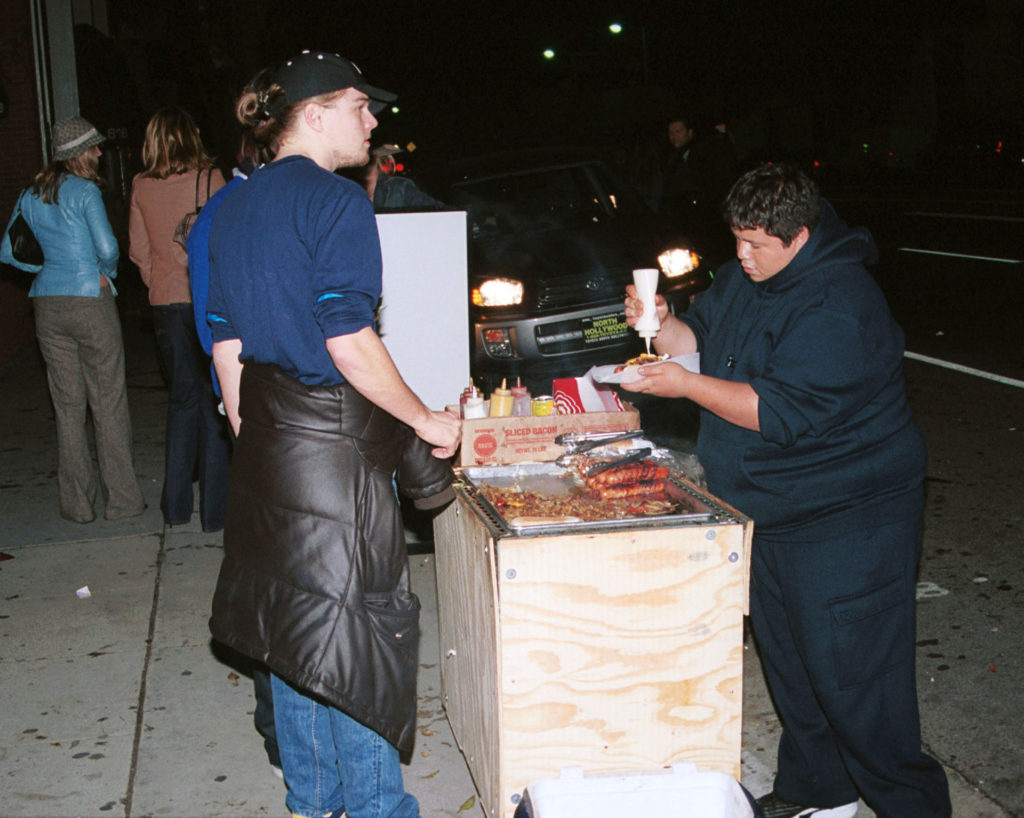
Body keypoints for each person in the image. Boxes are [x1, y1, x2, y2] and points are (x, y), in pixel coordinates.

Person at [621, 163, 951, 818]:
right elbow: (701, 340)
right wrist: (661, 328)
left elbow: (775, 411)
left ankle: (913, 804)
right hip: (771, 508)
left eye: (755, 245)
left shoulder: (840, 305)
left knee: (858, 681)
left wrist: (681, 386)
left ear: (798, 237)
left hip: (849, 517)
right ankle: (819, 795)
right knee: (795, 669)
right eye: (736, 240)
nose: (740, 256)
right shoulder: (750, 276)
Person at [205, 50, 461, 818]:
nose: (374, 120)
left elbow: (224, 341)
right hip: (332, 448)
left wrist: (255, 440)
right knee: (357, 638)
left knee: (293, 632)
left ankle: (314, 804)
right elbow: (348, 338)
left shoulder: (232, 205)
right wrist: (424, 418)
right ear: (313, 112)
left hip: (268, 443)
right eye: (359, 105)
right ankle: (380, 810)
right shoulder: (338, 201)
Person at [184, 69, 283, 779]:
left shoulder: (247, 207)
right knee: (280, 586)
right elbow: (217, 332)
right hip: (268, 417)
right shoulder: (235, 215)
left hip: (280, 417)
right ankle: (282, 733)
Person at [1, 116, 146, 523]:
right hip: (90, 301)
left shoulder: (31, 192)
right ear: (80, 153)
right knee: (109, 403)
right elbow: (107, 246)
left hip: (47, 305)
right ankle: (122, 501)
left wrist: (48, 272)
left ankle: (77, 505)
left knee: (67, 406)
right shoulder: (86, 191)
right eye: (95, 146)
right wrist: (105, 271)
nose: (101, 152)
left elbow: (8, 251)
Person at [129, 106, 231, 532]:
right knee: (211, 401)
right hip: (206, 301)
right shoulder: (212, 179)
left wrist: (161, 283)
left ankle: (174, 509)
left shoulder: (140, 185)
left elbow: (137, 250)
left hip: (165, 304)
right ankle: (215, 513)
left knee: (181, 400)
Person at [356, 143, 443, 211]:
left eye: (386, 162)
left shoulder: (398, 187)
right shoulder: (348, 190)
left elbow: (438, 211)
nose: (387, 166)